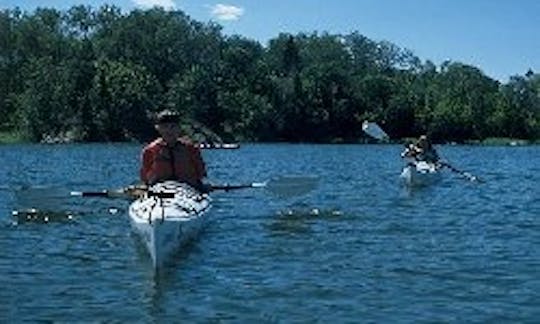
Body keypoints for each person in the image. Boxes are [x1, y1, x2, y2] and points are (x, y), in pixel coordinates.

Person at [140, 109, 209, 192]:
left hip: (187, 190)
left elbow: (201, 174)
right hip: (160, 191)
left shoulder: (191, 149)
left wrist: (202, 186)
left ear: (179, 128)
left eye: (173, 126)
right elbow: (145, 177)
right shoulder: (150, 151)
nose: (169, 131)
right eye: (165, 127)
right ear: (158, 128)